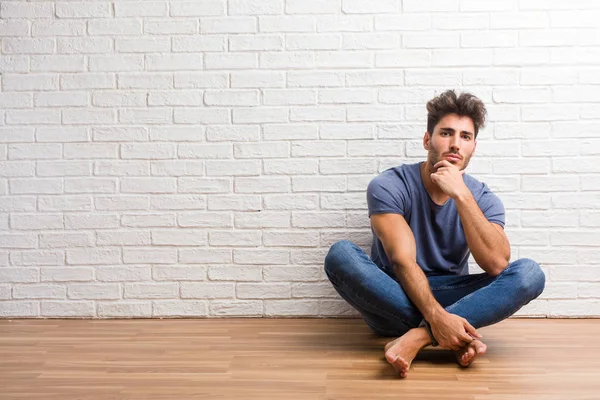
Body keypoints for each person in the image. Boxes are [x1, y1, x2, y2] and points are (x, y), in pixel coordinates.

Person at [324, 89, 545, 378]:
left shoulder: (482, 197)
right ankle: (451, 334)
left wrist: (462, 196)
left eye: (465, 137)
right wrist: (440, 318)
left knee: (530, 273)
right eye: (446, 133)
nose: (455, 144)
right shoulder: (390, 185)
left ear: (473, 147)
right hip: (393, 293)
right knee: (340, 255)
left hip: (453, 295)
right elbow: (403, 262)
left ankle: (418, 336)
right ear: (428, 139)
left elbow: (496, 264)